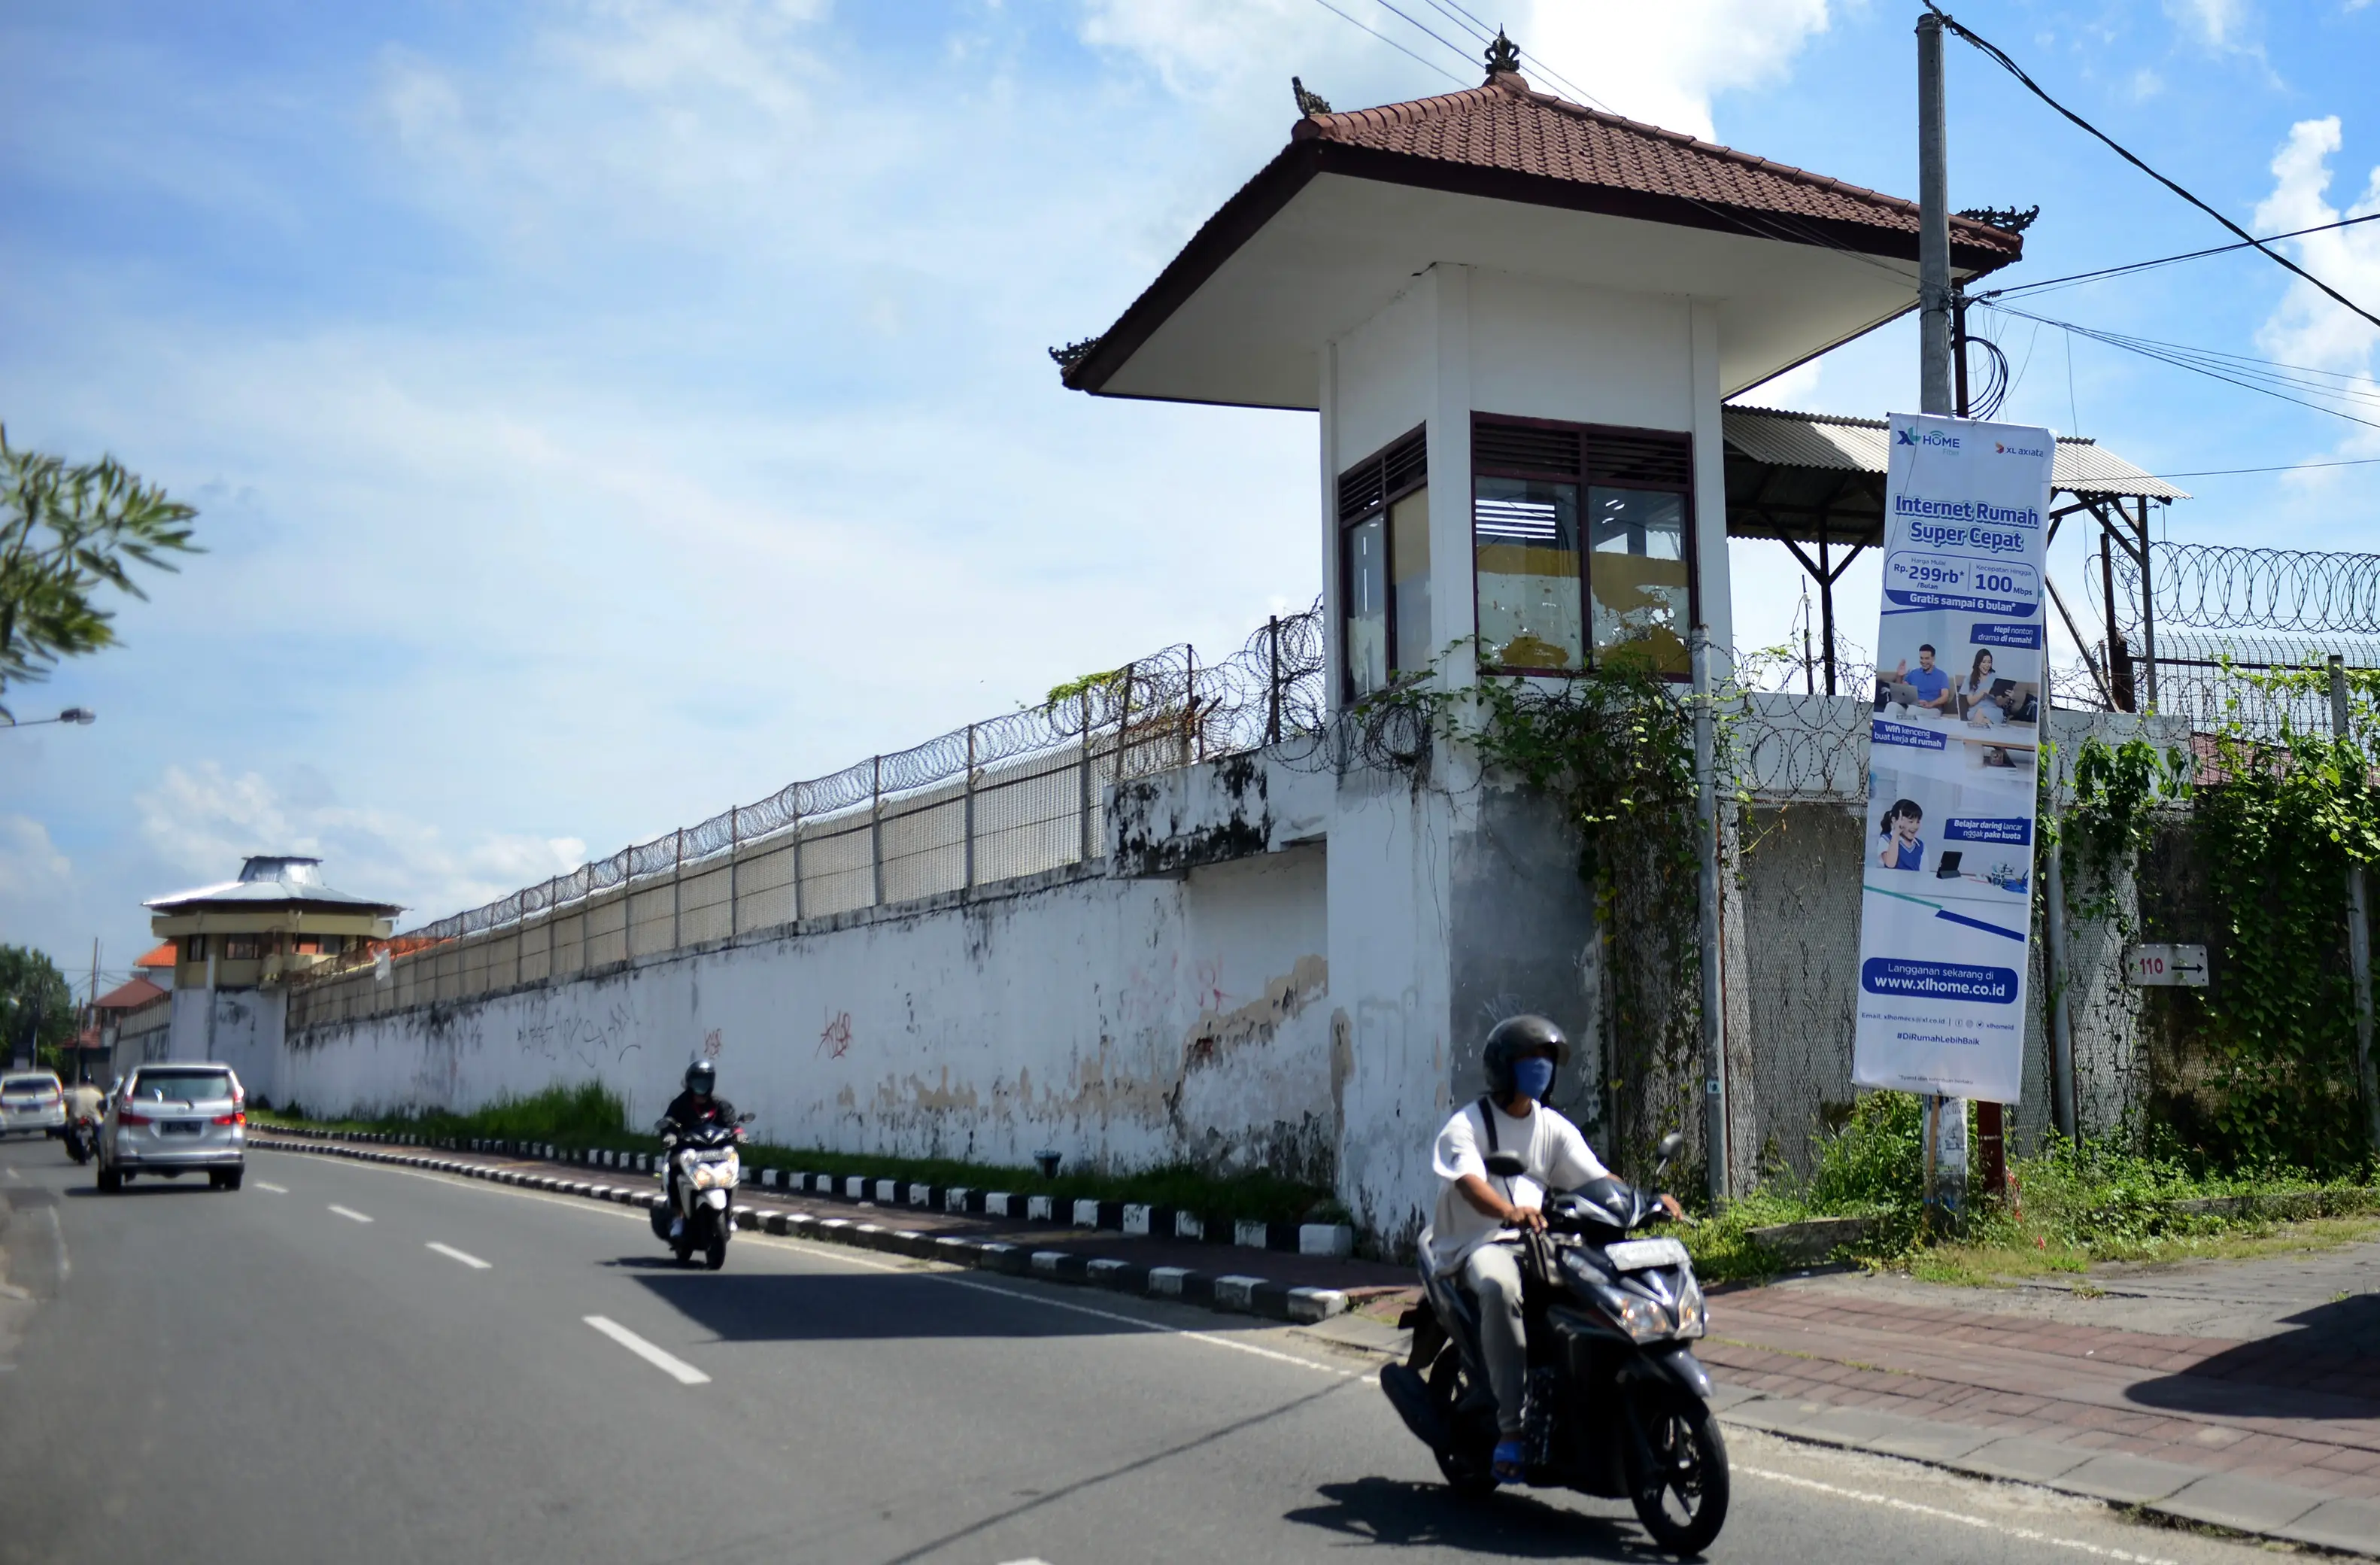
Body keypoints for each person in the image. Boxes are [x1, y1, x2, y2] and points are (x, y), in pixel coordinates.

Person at [1422, 1015, 1683, 1484]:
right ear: (1504, 1067)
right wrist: (1508, 1210)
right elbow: (1468, 1184)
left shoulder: (1552, 1127)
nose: (1541, 1069)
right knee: (1501, 1289)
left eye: (1546, 1061)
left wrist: (1647, 1201)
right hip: (1478, 1243)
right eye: (1530, 1060)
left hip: (1541, 1240)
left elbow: (1597, 1179)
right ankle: (1512, 1432)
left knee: (1597, 1289)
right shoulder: (1468, 1125)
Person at [659, 1060, 736, 1239]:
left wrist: (738, 1133)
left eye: (706, 1081)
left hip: (716, 1153)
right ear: (689, 1082)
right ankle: (678, 1217)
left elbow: (732, 1124)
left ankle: (729, 1214)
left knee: (733, 1167)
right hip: (688, 1153)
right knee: (672, 1171)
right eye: (698, 1081)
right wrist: (669, 1135)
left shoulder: (720, 1104)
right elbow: (668, 1123)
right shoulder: (680, 1104)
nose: (702, 1086)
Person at [1882, 643, 1955, 716]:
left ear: (1933, 658)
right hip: (1912, 706)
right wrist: (1900, 676)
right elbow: (1902, 691)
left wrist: (1930, 704)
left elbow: (1945, 697)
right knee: (1891, 706)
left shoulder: (1942, 675)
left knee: (1912, 711)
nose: (1923, 661)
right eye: (1921, 658)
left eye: (1927, 658)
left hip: (1932, 709)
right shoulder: (1914, 673)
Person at [1877, 798, 1926, 870]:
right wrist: (1896, 833)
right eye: (1911, 822)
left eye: (1918, 822)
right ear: (1894, 820)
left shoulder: (1920, 845)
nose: (1915, 826)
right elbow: (1890, 864)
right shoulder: (1885, 840)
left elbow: (1924, 873)